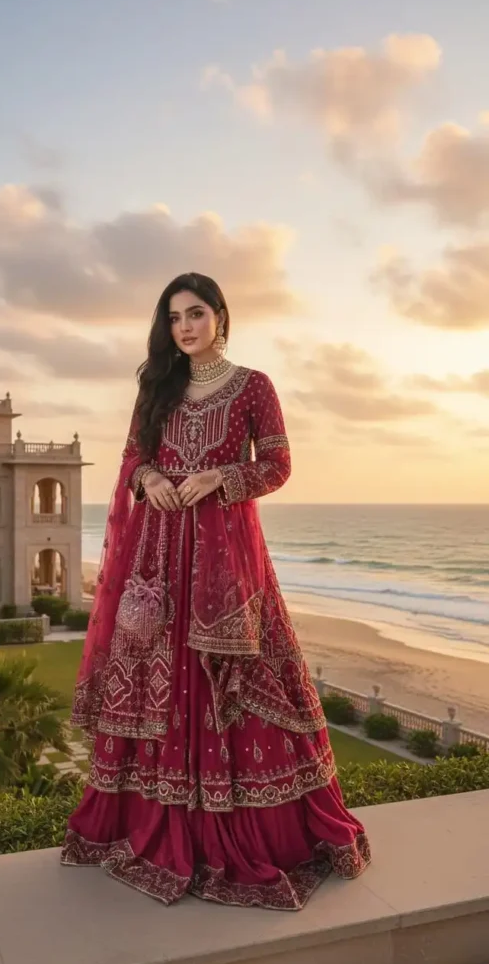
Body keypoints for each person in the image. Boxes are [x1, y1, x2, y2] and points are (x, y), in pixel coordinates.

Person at [61, 273, 370, 909]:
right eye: (174, 318)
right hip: (159, 555)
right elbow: (131, 459)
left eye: (196, 313)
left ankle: (246, 830)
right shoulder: (157, 384)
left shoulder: (254, 385)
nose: (185, 327)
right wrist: (150, 480)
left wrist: (219, 477)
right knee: (161, 678)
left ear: (221, 316)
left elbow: (279, 464)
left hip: (227, 554)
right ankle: (154, 824)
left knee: (238, 675)